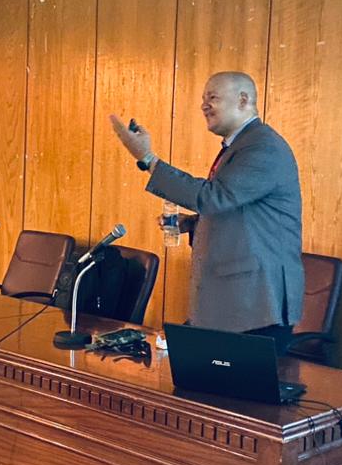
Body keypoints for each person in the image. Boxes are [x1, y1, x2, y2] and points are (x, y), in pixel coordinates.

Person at [108, 70, 303, 350]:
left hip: (257, 303)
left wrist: (148, 158)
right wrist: (194, 223)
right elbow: (238, 208)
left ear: (243, 100)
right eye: (203, 99)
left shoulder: (263, 147)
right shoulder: (242, 145)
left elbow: (213, 197)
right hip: (236, 301)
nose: (204, 106)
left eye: (212, 97)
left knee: (225, 379)